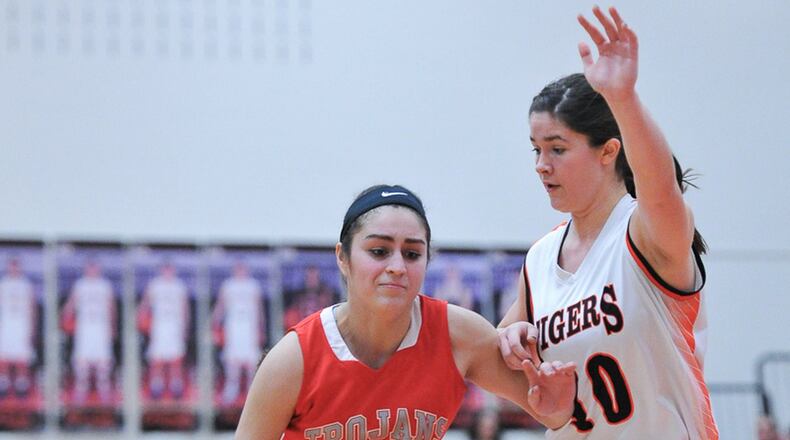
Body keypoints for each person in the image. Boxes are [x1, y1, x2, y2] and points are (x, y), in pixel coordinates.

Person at [498, 6, 718, 439]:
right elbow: (501, 356)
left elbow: (660, 188)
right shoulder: (540, 259)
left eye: (557, 149)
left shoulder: (646, 232)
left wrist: (624, 99)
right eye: (535, 150)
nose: (541, 165)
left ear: (608, 150)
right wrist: (512, 344)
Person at [236, 185, 576, 440]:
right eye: (379, 251)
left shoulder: (459, 334)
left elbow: (558, 413)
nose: (397, 267)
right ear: (343, 257)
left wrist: (556, 409)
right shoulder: (292, 360)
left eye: (412, 254)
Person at [211, 261, 265, 406]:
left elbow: (259, 308)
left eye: (243, 268)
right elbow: (220, 306)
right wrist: (213, 324)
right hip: (233, 326)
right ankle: (231, 389)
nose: (240, 271)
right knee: (232, 358)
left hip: (249, 326)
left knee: (251, 359)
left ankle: (251, 391)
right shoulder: (228, 285)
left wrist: (261, 328)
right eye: (238, 268)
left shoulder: (253, 285)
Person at [62, 260, 116, 404]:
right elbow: (71, 305)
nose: (92, 271)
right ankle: (80, 395)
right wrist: (65, 317)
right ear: (86, 269)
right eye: (90, 268)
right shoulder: (80, 285)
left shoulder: (105, 285)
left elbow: (111, 307)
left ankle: (105, 396)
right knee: (82, 362)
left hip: (101, 328)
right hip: (84, 329)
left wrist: (112, 327)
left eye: (95, 268)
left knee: (103, 363)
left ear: (99, 269)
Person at [138, 261, 189, 400]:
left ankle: (176, 386)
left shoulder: (179, 286)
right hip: (159, 326)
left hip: (174, 326)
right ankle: (156, 386)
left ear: (173, 270)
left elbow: (185, 309)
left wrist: (185, 327)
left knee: (176, 358)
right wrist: (140, 320)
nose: (168, 272)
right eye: (165, 269)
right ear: (161, 270)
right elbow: (145, 305)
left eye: (170, 269)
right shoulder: (155, 285)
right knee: (157, 358)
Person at [0, 258, 36, 398]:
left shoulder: (26, 285)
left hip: (22, 325)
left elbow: (32, 307)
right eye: (11, 267)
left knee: (22, 357)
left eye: (16, 267)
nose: (14, 270)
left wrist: (32, 327)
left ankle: (22, 388)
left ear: (20, 268)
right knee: (4, 356)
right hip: (6, 324)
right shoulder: (3, 284)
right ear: (8, 268)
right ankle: (3, 386)